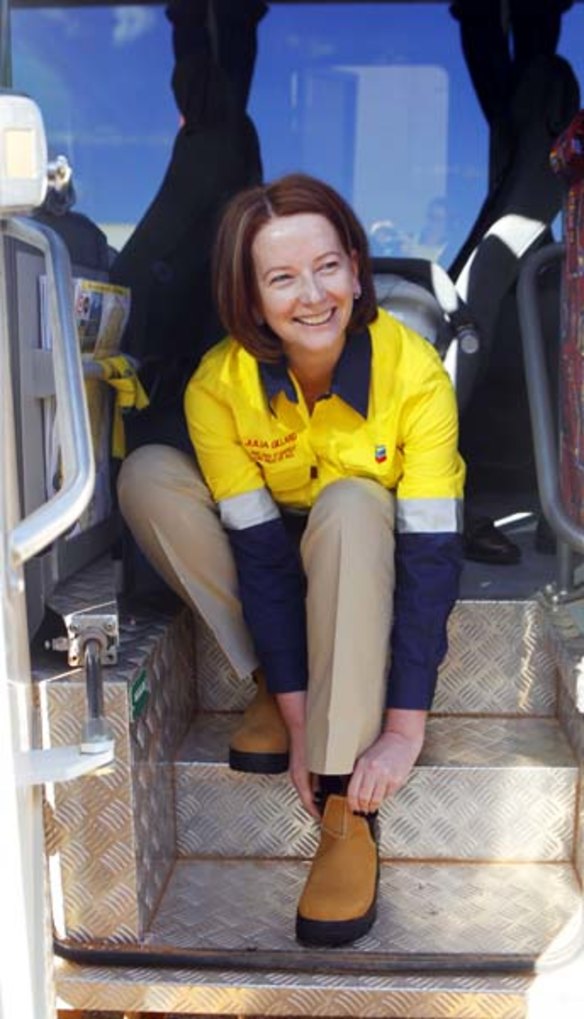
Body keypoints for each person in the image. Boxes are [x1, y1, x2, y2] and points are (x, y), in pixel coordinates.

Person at [118, 173, 465, 947]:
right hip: (273, 557)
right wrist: (295, 705)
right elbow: (260, 557)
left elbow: (433, 559)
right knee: (146, 477)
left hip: (364, 552)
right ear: (248, 296)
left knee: (349, 501)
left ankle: (346, 811)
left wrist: (403, 728)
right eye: (281, 277)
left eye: (328, 266)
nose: (312, 295)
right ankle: (271, 689)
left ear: (355, 266)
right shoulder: (221, 386)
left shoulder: (415, 375)